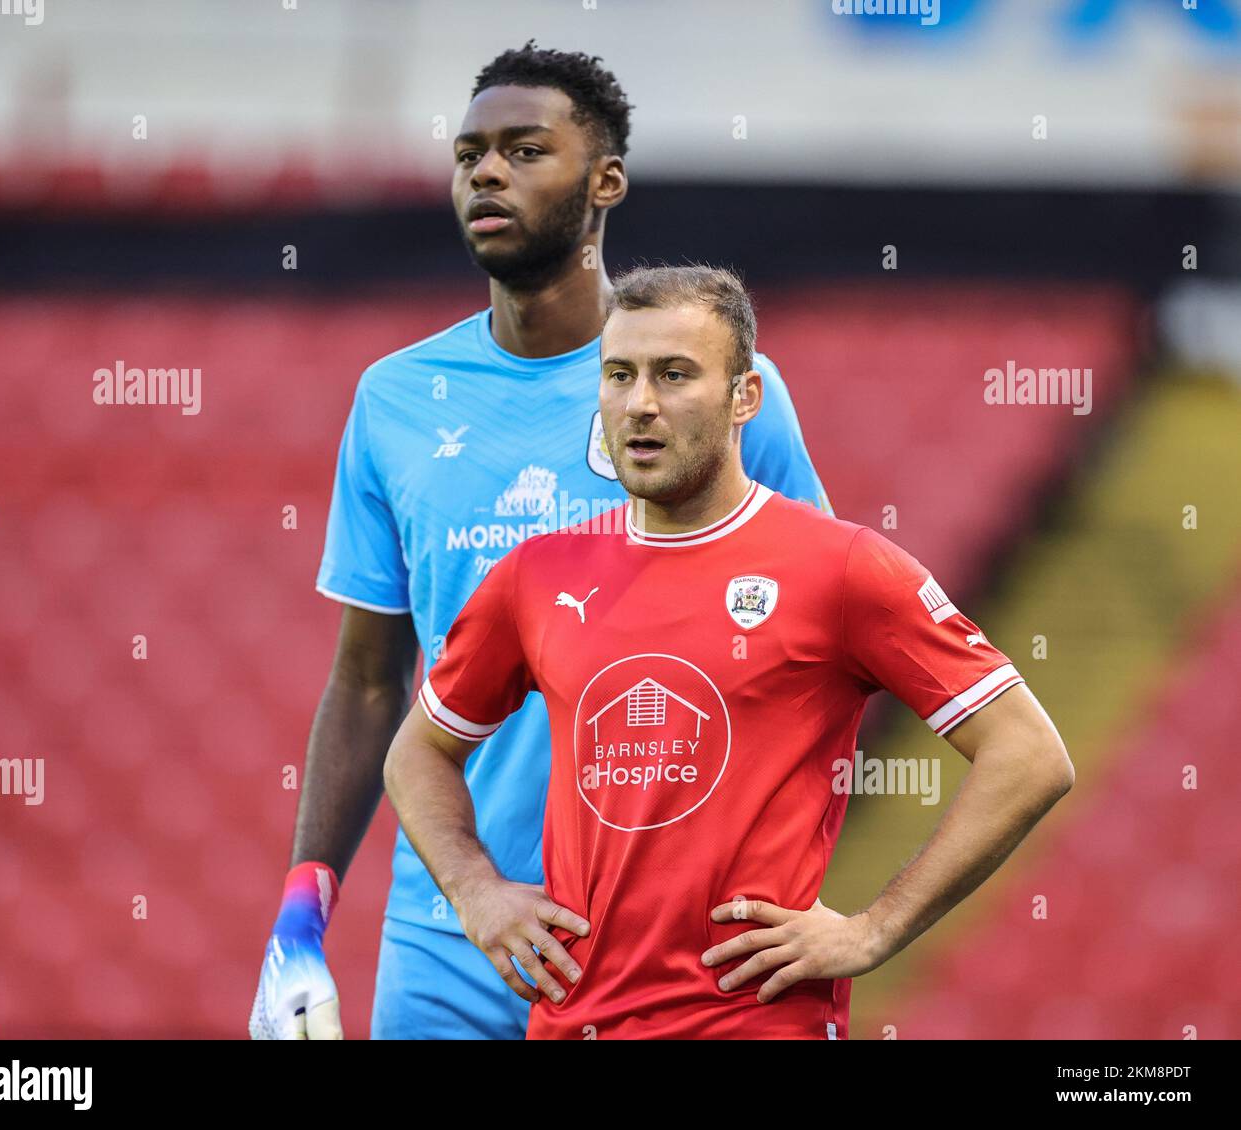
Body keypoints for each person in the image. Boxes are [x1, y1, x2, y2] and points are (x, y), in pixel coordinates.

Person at [250, 44, 831, 1041]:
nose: (485, 171)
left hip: (664, 947)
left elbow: (821, 637)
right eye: (468, 152)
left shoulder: (729, 392)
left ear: (605, 182)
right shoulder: (393, 400)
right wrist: (301, 912)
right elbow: (368, 682)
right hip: (449, 934)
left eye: (524, 149)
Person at [383, 264, 1074, 1039]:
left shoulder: (842, 568)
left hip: (755, 1025)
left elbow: (1028, 753)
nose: (641, 403)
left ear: (745, 397)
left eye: (675, 375)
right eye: (620, 375)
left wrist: (875, 928)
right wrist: (477, 891)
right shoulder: (535, 578)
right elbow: (417, 752)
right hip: (575, 1022)